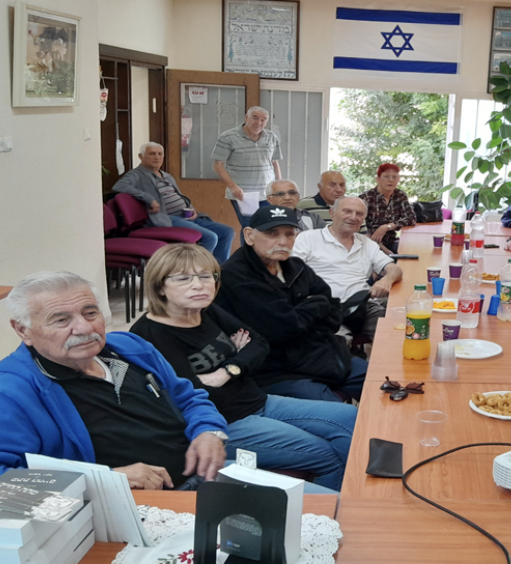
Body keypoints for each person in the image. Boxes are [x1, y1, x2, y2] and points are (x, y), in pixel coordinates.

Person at [0, 271, 228, 499]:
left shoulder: (130, 347)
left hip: (205, 475)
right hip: (132, 508)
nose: (84, 328)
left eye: (90, 313)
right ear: (23, 330)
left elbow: (189, 398)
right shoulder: (8, 394)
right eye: (61, 320)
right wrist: (104, 480)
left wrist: (209, 432)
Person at [130, 244, 356, 490]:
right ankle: (330, 511)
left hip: (257, 400)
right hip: (224, 424)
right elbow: (194, 394)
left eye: (206, 276)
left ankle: (363, 495)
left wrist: (229, 369)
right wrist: (237, 354)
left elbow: (259, 342)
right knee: (327, 454)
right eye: (183, 278)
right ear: (159, 287)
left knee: (351, 417)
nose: (198, 285)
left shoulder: (205, 310)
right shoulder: (151, 335)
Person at [215, 205, 367, 402]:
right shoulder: (235, 275)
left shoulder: (296, 266)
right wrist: (317, 305)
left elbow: (334, 311)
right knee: (340, 413)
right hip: (275, 371)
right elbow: (282, 328)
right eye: (272, 233)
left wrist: (304, 314)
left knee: (385, 384)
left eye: (289, 234)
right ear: (249, 236)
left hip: (321, 355)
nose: (282, 241)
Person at [292, 197, 403, 346]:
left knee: (397, 336)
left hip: (362, 306)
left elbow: (395, 269)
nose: (353, 217)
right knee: (336, 347)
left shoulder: (366, 243)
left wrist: (386, 280)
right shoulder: (308, 238)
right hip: (324, 310)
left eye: (359, 214)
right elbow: (290, 273)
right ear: (332, 213)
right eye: (347, 212)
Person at [112, 142, 235, 263]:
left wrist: (191, 209)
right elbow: (119, 186)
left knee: (227, 232)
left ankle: (220, 270)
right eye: (152, 154)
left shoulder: (166, 176)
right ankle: (197, 270)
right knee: (210, 237)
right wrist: (149, 198)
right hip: (167, 217)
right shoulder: (137, 174)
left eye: (160, 154)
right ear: (141, 156)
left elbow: (179, 196)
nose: (157, 157)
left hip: (185, 215)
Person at [212, 106, 282, 227]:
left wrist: (279, 186)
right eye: (255, 118)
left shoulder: (271, 137)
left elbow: (274, 163)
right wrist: (233, 186)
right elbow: (217, 165)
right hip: (244, 194)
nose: (258, 123)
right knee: (250, 228)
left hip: (268, 193)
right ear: (246, 117)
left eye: (263, 120)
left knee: (270, 227)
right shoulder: (228, 137)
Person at [358, 163, 416, 252]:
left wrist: (386, 227)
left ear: (398, 179)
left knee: (415, 251)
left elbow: (411, 218)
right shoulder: (366, 197)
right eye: (386, 176)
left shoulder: (400, 195)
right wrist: (383, 249)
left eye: (394, 177)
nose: (391, 180)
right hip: (368, 245)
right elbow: (359, 228)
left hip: (391, 242)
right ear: (378, 179)